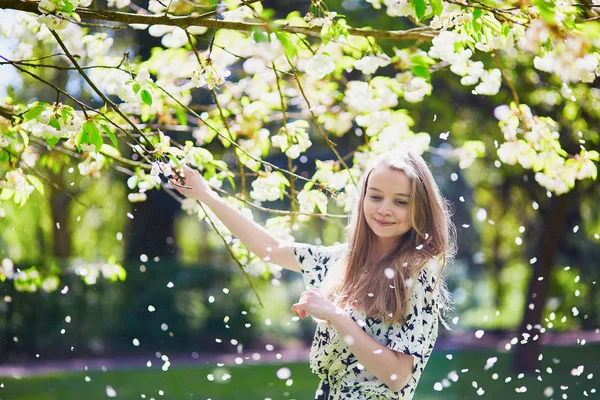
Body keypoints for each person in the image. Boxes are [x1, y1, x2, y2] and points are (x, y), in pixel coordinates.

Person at [170, 149, 456, 400]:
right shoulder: (343, 261)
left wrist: (336, 316)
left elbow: (397, 377)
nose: (384, 209)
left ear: (420, 207)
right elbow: (270, 248)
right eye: (376, 196)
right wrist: (205, 194)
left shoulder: (417, 272)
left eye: (400, 202)